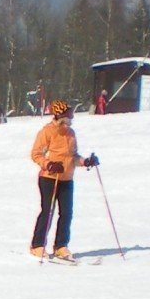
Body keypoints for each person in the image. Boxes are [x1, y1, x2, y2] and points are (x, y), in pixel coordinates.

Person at [29, 99, 94, 262]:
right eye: (68, 114)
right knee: (48, 211)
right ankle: (37, 245)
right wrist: (49, 164)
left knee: (66, 213)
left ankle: (60, 246)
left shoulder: (71, 133)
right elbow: (36, 154)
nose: (71, 117)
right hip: (49, 178)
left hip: (66, 178)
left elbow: (73, 157)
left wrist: (85, 161)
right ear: (60, 115)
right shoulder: (47, 131)